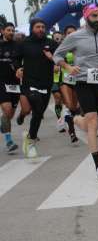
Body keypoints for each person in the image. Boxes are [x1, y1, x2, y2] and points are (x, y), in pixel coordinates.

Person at [53, 3, 98, 180]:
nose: (97, 19)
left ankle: (71, 118)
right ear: (86, 16)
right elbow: (57, 55)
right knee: (93, 122)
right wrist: (67, 66)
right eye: (94, 16)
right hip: (82, 82)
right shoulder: (75, 36)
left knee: (89, 123)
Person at [14, 18, 58, 158]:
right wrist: (18, 68)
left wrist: (55, 62)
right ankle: (31, 141)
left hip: (46, 83)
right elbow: (16, 58)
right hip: (29, 82)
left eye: (43, 27)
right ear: (32, 28)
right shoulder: (24, 44)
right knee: (37, 105)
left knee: (39, 113)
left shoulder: (50, 43)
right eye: (38, 27)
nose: (41, 29)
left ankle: (30, 136)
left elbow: (59, 58)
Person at [0, 23, 19, 153]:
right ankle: (9, 141)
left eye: (13, 30)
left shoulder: (18, 46)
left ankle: (3, 124)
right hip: (1, 82)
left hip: (15, 83)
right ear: (2, 31)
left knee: (10, 114)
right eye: (8, 30)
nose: (11, 32)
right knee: (7, 110)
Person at [59, 25, 80, 144]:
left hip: (78, 80)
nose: (70, 35)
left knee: (75, 107)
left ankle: (68, 119)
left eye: (73, 32)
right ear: (65, 35)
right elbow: (56, 59)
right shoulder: (62, 47)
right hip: (65, 79)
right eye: (68, 33)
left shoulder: (81, 46)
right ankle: (72, 133)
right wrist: (57, 65)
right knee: (69, 105)